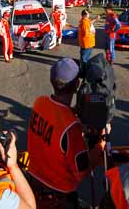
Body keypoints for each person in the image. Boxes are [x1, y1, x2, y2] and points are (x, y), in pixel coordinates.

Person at [27, 58, 105, 208]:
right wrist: (99, 148)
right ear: (76, 85)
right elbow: (81, 172)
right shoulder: (71, 127)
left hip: (34, 182)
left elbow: (56, 116)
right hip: (59, 194)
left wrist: (73, 112)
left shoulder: (39, 103)